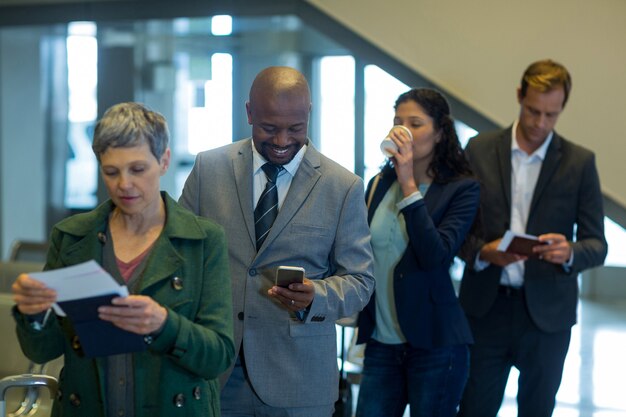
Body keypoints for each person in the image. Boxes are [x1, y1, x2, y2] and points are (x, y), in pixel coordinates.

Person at [11, 102, 235, 417]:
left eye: (137, 169)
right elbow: (42, 350)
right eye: (111, 171)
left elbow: (218, 355)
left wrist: (164, 325)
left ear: (164, 161)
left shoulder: (202, 241)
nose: (124, 184)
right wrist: (33, 314)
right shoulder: (72, 237)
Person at [179, 66, 375, 417]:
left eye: (295, 129)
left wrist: (317, 294)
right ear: (249, 113)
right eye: (269, 128)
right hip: (217, 370)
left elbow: (360, 282)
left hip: (299, 380)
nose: (283, 141)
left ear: (309, 114)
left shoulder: (342, 186)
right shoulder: (209, 169)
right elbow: (178, 254)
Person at [457, 59, 607, 417]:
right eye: (532, 111)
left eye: (551, 115)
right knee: (474, 408)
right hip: (485, 310)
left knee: (538, 411)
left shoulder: (579, 162)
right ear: (519, 96)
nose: (540, 123)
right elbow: (455, 231)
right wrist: (483, 253)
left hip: (548, 317)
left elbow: (597, 244)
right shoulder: (479, 149)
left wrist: (569, 251)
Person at [354, 88, 479, 417]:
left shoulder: (462, 189)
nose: (403, 131)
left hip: (436, 344)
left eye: (415, 123)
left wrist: (408, 182)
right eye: (398, 122)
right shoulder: (379, 183)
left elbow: (434, 256)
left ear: (439, 133)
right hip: (381, 342)